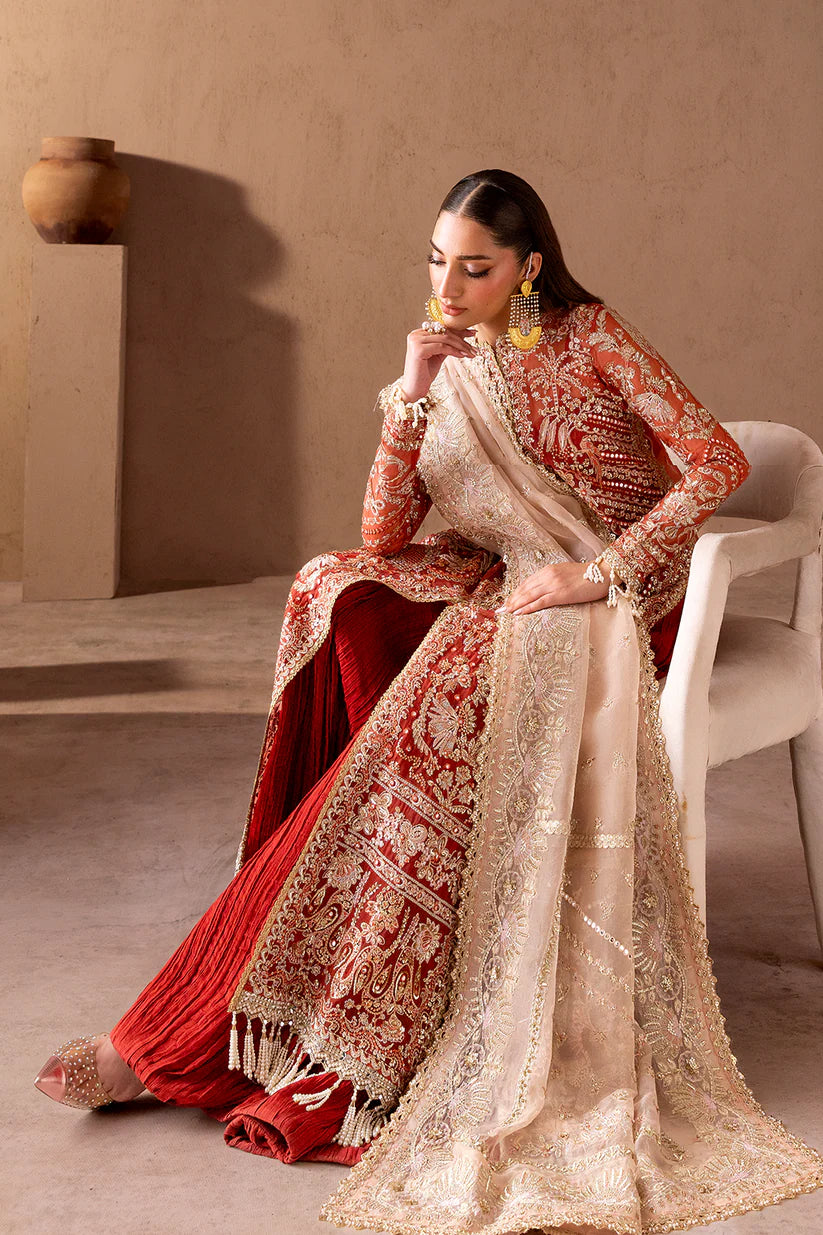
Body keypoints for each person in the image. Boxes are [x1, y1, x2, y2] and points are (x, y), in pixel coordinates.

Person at [35, 169, 823, 1233]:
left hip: (619, 597)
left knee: (426, 718)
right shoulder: (447, 358)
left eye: (475, 267)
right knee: (340, 589)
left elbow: (715, 463)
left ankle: (214, 1042)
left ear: (527, 267)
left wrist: (599, 571)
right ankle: (232, 1022)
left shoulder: (592, 338)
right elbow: (384, 532)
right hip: (509, 580)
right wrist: (412, 390)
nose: (448, 287)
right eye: (437, 262)